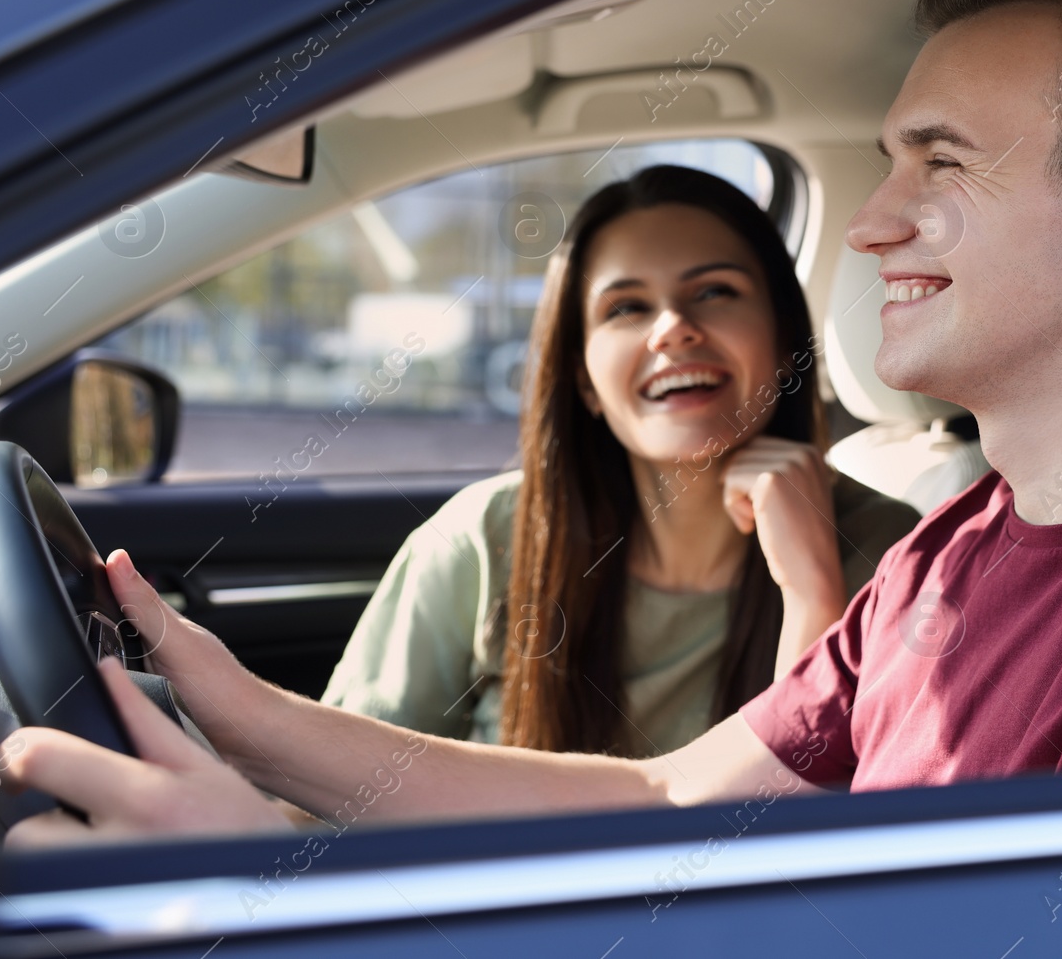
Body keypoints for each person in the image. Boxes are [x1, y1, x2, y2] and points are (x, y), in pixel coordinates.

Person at [0, 0, 1062, 845]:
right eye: (885, 158)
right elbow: (660, 797)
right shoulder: (953, 555)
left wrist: (256, 898)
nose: (880, 219)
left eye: (938, 163)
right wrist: (248, 721)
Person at [320, 165, 919, 756]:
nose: (673, 330)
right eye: (626, 307)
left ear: (787, 344)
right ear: (583, 380)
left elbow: (813, 823)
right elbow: (335, 793)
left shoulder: (890, 550)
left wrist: (813, 596)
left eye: (714, 292)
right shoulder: (481, 539)